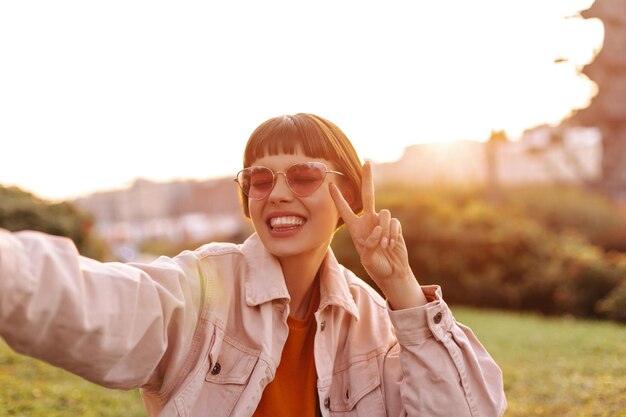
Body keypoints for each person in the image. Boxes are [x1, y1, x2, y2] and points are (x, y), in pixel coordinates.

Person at [0, 113, 506, 416]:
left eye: (304, 176)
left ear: (347, 195)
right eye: (260, 180)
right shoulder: (202, 284)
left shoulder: (374, 318)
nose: (278, 193)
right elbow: (98, 300)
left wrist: (403, 289)